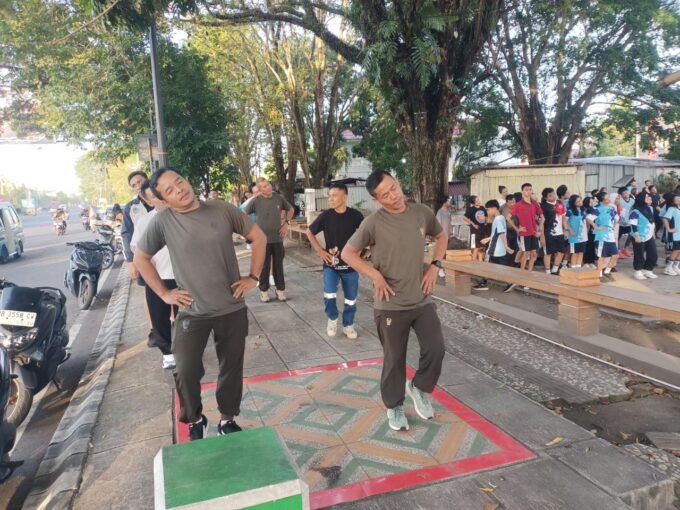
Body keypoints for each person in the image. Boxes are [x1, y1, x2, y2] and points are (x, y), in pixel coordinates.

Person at [135, 167, 266, 441]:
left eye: (179, 181)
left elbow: (259, 237)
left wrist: (253, 277)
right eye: (169, 190)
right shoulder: (163, 222)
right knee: (185, 368)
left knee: (231, 367)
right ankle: (195, 419)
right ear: (164, 200)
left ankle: (228, 419)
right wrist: (164, 293)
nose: (179, 190)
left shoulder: (222, 209)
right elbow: (141, 259)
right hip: (192, 311)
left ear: (187, 179)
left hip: (231, 306)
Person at [341, 170, 446, 432]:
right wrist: (374, 275)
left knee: (436, 348)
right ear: (376, 200)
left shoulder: (421, 212)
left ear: (398, 183)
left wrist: (435, 265)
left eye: (394, 188)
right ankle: (394, 405)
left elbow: (441, 235)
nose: (394, 196)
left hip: (421, 299)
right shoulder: (373, 223)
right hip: (390, 303)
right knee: (394, 359)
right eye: (385, 195)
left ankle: (419, 387)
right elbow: (348, 253)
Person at [306, 183, 364, 339]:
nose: (330, 199)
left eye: (334, 195)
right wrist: (320, 251)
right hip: (330, 265)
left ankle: (348, 325)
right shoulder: (325, 216)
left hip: (351, 266)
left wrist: (358, 253)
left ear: (344, 197)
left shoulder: (356, 216)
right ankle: (332, 319)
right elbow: (309, 232)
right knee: (329, 295)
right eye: (329, 196)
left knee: (351, 299)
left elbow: (366, 234)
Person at [130, 183, 177, 369]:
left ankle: (186, 348)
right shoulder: (145, 221)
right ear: (148, 200)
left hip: (183, 275)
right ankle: (168, 353)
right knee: (159, 316)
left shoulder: (182, 215)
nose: (162, 197)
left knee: (186, 316)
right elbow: (136, 247)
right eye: (155, 195)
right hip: (157, 276)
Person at [243, 177, 294, 302]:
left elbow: (290, 209)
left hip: (277, 239)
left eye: (268, 184)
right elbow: (243, 213)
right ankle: (264, 292)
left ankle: (280, 290)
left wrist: (286, 223)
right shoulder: (256, 201)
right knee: (264, 267)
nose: (268, 187)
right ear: (260, 189)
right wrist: (251, 228)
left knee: (278, 266)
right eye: (264, 186)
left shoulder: (278, 198)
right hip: (262, 241)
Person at [511, 183, 544, 272]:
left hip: (534, 233)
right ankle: (522, 274)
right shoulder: (518, 204)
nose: (529, 191)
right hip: (525, 233)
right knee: (525, 254)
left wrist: (540, 229)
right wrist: (517, 229)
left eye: (530, 189)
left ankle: (529, 272)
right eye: (526, 189)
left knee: (533, 254)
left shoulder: (534, 203)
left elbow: (542, 217)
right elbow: (508, 218)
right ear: (522, 191)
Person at [587, 191, 619, 282]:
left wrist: (613, 225)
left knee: (615, 255)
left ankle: (607, 271)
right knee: (602, 256)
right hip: (601, 236)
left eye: (608, 197)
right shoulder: (598, 209)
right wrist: (596, 227)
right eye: (607, 198)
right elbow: (589, 218)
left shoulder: (612, 208)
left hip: (610, 236)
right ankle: (599, 274)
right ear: (602, 200)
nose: (609, 199)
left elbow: (617, 218)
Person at [629, 191, 658, 280]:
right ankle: (638, 271)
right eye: (646, 197)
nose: (649, 198)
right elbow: (633, 223)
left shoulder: (649, 208)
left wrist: (653, 233)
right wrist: (636, 235)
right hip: (639, 236)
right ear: (641, 199)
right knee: (639, 254)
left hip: (649, 235)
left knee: (653, 253)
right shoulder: (635, 210)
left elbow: (652, 222)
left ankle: (648, 270)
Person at [540, 187, 566, 275]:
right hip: (549, 233)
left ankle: (555, 270)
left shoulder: (560, 203)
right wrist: (542, 236)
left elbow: (563, 217)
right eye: (550, 196)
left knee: (561, 252)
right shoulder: (543, 206)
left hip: (560, 232)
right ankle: (547, 271)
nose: (553, 196)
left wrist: (565, 230)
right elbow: (541, 223)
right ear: (546, 198)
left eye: (553, 194)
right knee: (548, 253)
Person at [483, 200, 514, 266]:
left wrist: (506, 246)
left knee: (493, 269)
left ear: (494, 208)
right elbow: (497, 233)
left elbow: (502, 233)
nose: (487, 212)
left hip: (495, 250)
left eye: (488, 210)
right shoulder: (501, 217)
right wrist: (489, 238)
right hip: (500, 250)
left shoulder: (498, 219)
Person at [565, 195, 588, 269]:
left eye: (580, 200)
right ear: (573, 203)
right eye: (577, 201)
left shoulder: (584, 210)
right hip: (574, 236)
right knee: (575, 252)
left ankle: (578, 267)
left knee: (581, 252)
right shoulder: (570, 211)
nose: (580, 202)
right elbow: (565, 221)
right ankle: (573, 268)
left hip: (583, 235)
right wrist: (570, 230)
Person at [662, 193, 680, 276]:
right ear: (672, 201)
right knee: (676, 250)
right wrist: (669, 229)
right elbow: (664, 219)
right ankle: (668, 268)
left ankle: (675, 266)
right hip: (674, 235)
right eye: (676, 199)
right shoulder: (671, 209)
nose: (679, 200)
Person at [435, 196, 452, 278]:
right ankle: (439, 269)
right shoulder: (440, 212)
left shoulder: (448, 212)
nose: (450, 202)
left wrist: (451, 233)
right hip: (441, 237)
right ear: (444, 202)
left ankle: (444, 268)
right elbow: (438, 225)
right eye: (448, 200)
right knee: (440, 253)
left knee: (445, 253)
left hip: (448, 236)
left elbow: (450, 224)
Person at [618, 186, 635, 258]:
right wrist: (621, 220)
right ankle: (618, 251)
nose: (626, 194)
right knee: (618, 237)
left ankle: (625, 248)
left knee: (632, 235)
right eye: (624, 193)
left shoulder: (632, 201)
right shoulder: (620, 201)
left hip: (629, 222)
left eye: (627, 192)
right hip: (621, 223)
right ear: (621, 195)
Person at [582, 196, 598, 268]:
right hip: (586, 230)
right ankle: (586, 261)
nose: (592, 203)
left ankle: (592, 261)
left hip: (593, 230)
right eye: (590, 202)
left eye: (592, 201)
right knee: (587, 246)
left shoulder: (595, 209)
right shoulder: (584, 210)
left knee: (592, 246)